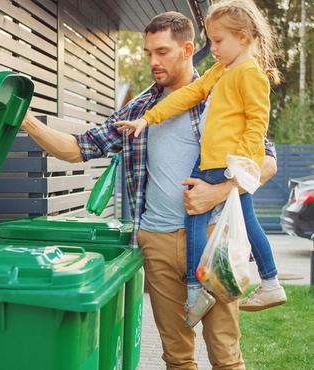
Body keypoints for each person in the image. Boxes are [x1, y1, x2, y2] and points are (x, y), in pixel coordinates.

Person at [21, 11, 277, 370]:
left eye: (162, 52)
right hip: (156, 241)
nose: (153, 62)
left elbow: (266, 162)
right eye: (147, 53)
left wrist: (219, 193)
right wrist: (28, 121)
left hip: (212, 236)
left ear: (188, 49)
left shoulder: (222, 90)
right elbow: (78, 148)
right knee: (177, 355)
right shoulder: (140, 107)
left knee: (225, 354)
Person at [115, 0, 286, 328]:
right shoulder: (222, 70)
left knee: (194, 216)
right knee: (248, 222)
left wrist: (244, 166)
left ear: (245, 37)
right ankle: (270, 282)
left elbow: (257, 122)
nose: (214, 48)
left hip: (223, 163)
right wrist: (148, 119)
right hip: (221, 161)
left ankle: (196, 291)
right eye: (211, 40)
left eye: (219, 41)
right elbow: (190, 94)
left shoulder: (250, 74)